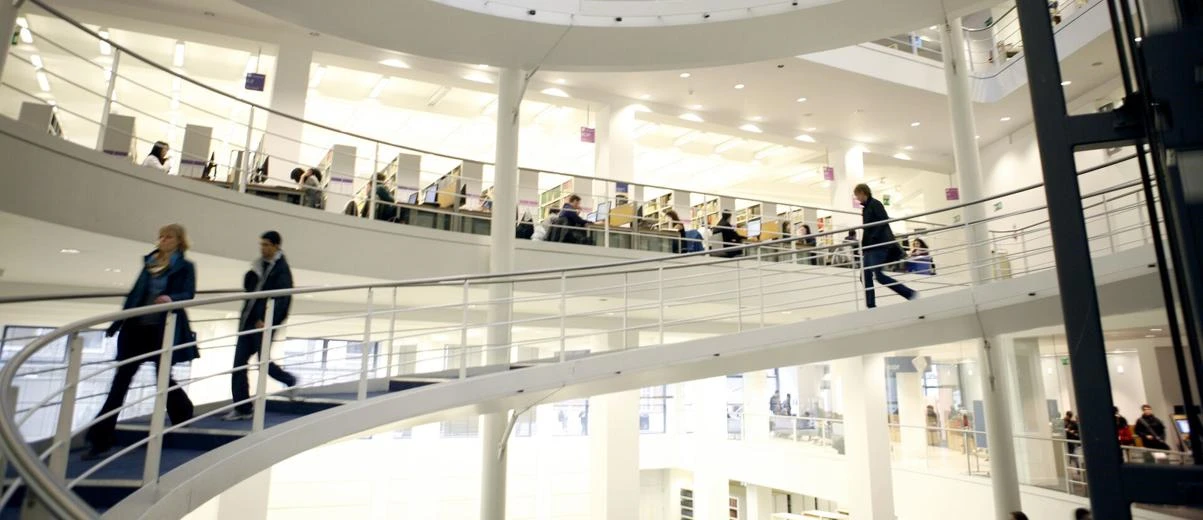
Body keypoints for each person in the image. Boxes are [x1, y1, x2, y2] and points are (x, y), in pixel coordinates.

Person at [84, 224, 197, 459]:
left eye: (169, 237)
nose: (163, 240)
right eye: (161, 236)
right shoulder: (149, 263)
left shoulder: (185, 266)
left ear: (179, 241)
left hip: (162, 330)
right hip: (135, 329)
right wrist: (118, 322)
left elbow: (188, 293)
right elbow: (135, 294)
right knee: (121, 382)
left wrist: (170, 298)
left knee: (162, 377)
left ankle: (183, 411)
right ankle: (100, 439)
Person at [223, 231, 299, 421]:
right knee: (238, 365)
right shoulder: (259, 266)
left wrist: (268, 321)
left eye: (266, 245)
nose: (262, 248)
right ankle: (242, 408)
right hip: (249, 321)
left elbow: (283, 299)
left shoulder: (281, 270)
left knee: (263, 361)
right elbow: (250, 290)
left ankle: (290, 380)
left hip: (263, 323)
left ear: (276, 246)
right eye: (261, 244)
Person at [855, 183, 918, 308]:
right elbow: (867, 229)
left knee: (879, 276)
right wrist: (864, 245)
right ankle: (871, 305)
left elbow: (884, 220)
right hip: (870, 247)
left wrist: (874, 237)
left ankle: (909, 293)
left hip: (879, 245)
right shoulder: (865, 208)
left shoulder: (875, 204)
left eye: (857, 195)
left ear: (863, 192)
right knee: (865, 275)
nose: (857, 198)